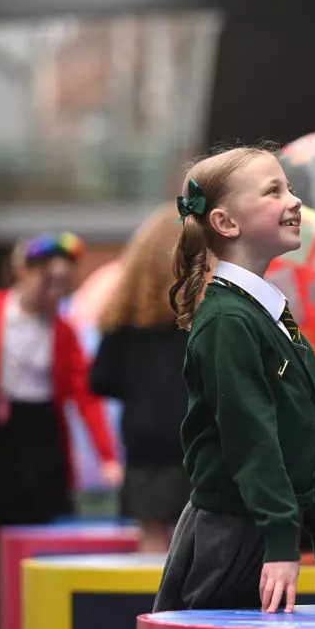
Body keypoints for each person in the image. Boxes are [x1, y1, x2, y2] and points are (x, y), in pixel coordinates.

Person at [152, 146, 315, 615]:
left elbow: (302, 433)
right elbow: (251, 438)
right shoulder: (227, 320)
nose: (294, 200)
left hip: (261, 527)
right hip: (232, 535)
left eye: (290, 188)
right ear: (225, 222)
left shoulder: (266, 312)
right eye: (273, 191)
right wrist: (281, 540)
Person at [0, 232, 123, 629]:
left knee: (41, 540)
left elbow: (85, 396)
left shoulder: (63, 330)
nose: (54, 293)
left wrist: (107, 456)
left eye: (62, 285)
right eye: (47, 282)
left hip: (43, 437)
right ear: (22, 273)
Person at [91, 204, 193, 552]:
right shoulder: (203, 321)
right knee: (198, 540)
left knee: (151, 541)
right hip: (196, 441)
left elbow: (101, 379)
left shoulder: (123, 322)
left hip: (144, 446)